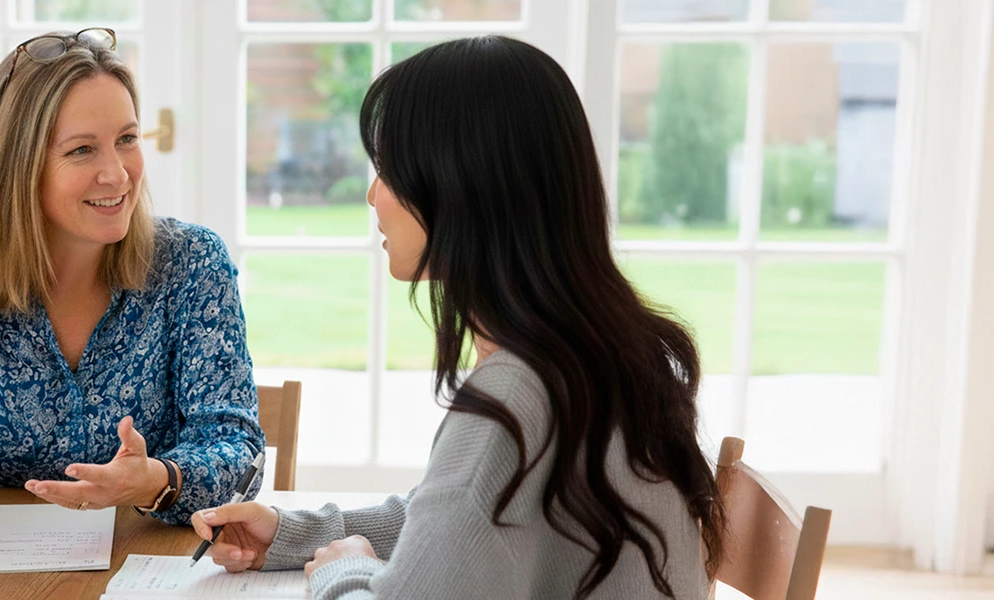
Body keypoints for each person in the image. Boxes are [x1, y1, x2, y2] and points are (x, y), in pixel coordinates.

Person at [190, 36, 725, 599]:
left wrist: (341, 570)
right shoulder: (604, 353)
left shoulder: (513, 403)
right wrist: (295, 535)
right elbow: (456, 525)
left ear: (462, 187)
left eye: (390, 170)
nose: (374, 195)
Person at [0, 28, 264, 527]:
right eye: (82, 150)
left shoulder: (192, 263)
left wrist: (157, 478)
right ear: (17, 167)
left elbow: (238, 450)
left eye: (127, 140)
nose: (117, 174)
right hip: (1, 569)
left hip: (149, 557)